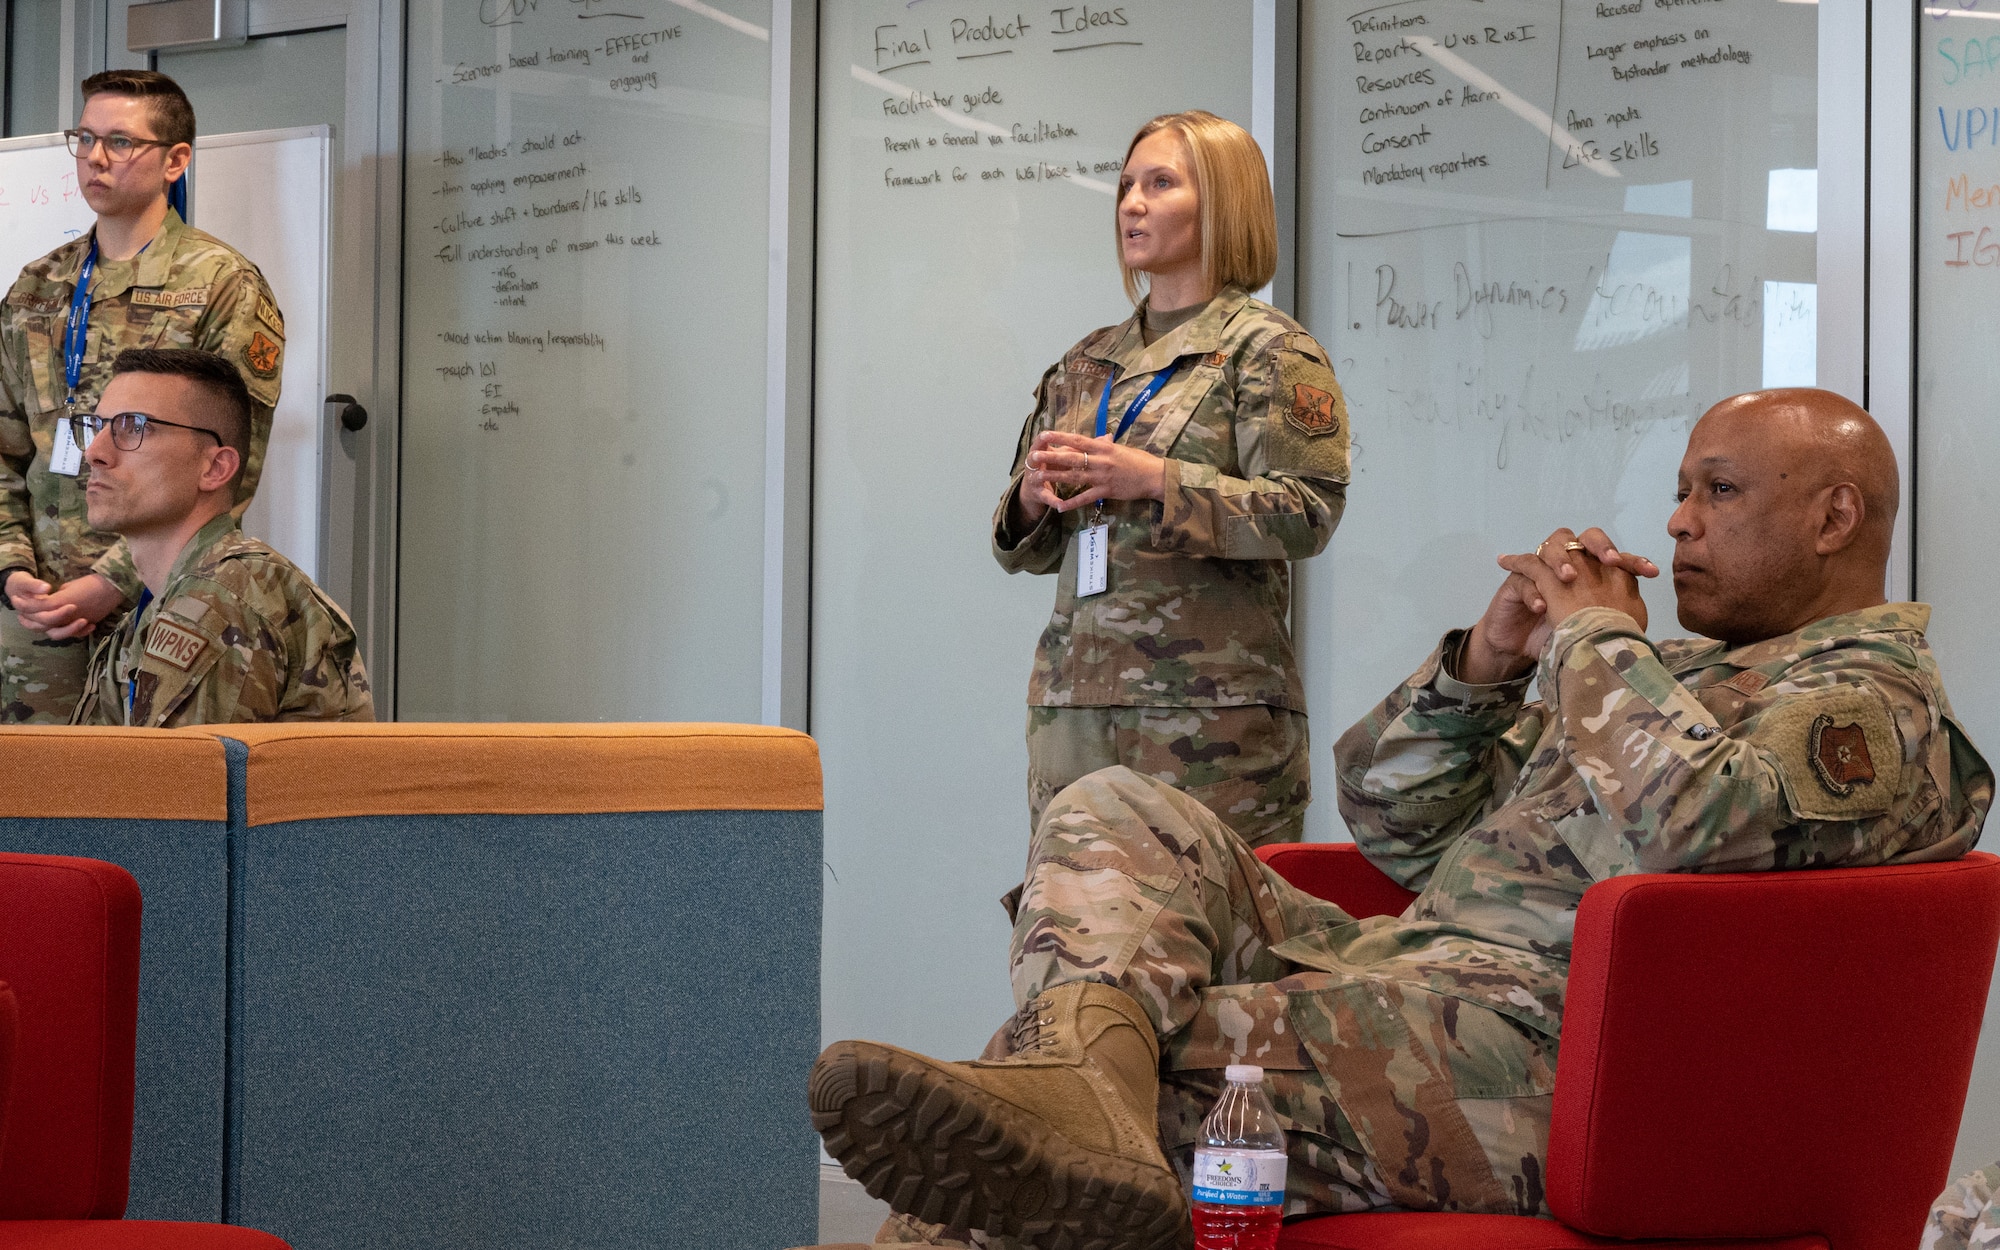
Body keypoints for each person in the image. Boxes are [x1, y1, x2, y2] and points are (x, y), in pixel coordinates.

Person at [811, 388, 1992, 1248]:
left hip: (1558, 1059)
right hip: (1414, 977)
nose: (1677, 521)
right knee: (1115, 804)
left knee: (1101, 1100)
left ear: (1835, 518)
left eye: (1716, 492)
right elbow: (1389, 815)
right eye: (1680, 488)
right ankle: (1083, 1076)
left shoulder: (1867, 709)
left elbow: (1696, 823)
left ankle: (1077, 1089)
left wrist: (1594, 638)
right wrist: (1484, 664)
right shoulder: (1666, 673)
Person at [993, 110, 1351, 849]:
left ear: (1221, 202)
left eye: (1161, 183)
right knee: (1069, 947)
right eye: (1126, 185)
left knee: (1214, 948)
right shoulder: (1086, 361)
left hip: (1210, 723)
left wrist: (1156, 479)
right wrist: (1033, 497)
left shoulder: (1269, 350)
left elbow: (1307, 513)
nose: (1132, 203)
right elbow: (1023, 548)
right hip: (1077, 713)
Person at [0, 69, 287, 724]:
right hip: (34, 625)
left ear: (175, 160)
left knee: (148, 808)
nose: (96, 158)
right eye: (86, 138)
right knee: (30, 817)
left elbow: (229, 472)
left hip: (157, 609)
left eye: (122, 142)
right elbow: (5, 451)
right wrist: (11, 571)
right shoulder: (35, 288)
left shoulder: (222, 285)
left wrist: (109, 584)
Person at [69, 349, 367, 726]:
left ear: (214, 467)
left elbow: (173, 783)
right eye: (97, 427)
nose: (94, 452)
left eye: (133, 426)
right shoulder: (155, 608)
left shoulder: (222, 599)